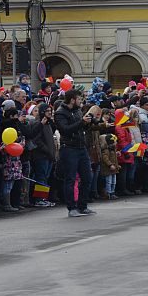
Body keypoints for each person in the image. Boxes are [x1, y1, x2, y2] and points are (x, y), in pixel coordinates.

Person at [54, 89, 95, 217]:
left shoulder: (77, 110)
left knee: (88, 176)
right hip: (69, 148)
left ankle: (83, 206)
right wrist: (82, 122)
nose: (81, 102)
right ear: (72, 99)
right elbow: (65, 130)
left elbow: (81, 127)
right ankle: (71, 207)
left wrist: (88, 123)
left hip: (81, 147)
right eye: (79, 99)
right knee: (70, 178)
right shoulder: (60, 113)